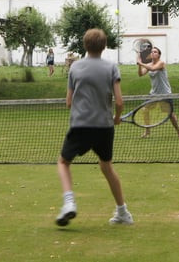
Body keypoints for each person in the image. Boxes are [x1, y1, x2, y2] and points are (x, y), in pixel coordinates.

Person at [55, 28, 133, 227]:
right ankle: (123, 212)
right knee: (106, 166)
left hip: (81, 125)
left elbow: (68, 102)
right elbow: (120, 101)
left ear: (85, 45)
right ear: (104, 46)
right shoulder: (111, 67)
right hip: (104, 127)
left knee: (64, 162)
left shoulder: (75, 68)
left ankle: (69, 203)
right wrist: (116, 117)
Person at [137, 46, 179, 139]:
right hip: (153, 93)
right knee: (145, 110)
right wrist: (139, 65)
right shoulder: (149, 64)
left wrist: (141, 62)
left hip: (165, 93)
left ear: (159, 55)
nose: (153, 53)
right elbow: (140, 74)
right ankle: (147, 132)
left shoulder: (161, 63)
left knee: (170, 114)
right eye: (152, 52)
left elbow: (153, 69)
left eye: (155, 52)